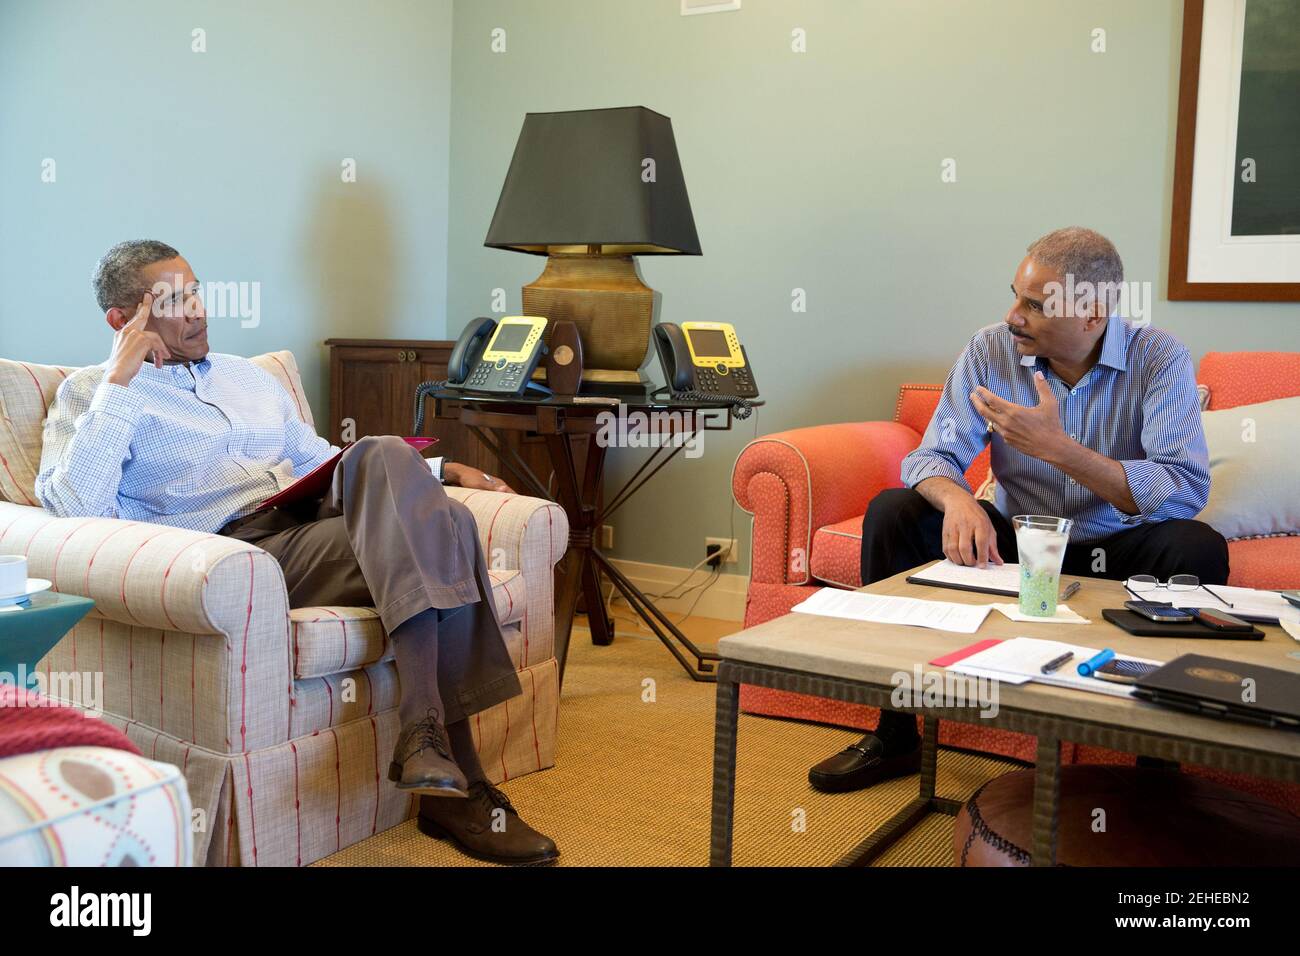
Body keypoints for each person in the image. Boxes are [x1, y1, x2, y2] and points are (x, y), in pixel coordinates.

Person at [37, 239, 558, 865]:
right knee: (447, 527)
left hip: (317, 521)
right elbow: (77, 514)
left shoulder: (247, 377)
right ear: (123, 320)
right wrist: (121, 380)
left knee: (392, 460)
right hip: (244, 554)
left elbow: (324, 462)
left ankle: (424, 739)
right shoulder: (94, 395)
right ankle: (464, 789)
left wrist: (442, 470)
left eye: (196, 291)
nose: (198, 310)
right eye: (173, 301)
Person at [808, 227, 1228, 794]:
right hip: (1017, 543)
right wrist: (959, 499)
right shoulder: (990, 350)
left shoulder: (1159, 359)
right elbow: (933, 452)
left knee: (1197, 546)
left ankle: (1155, 764)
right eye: (1016, 295)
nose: (1013, 316)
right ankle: (896, 732)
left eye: (1034, 305)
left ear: (1092, 314)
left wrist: (1059, 450)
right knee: (894, 511)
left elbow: (1184, 484)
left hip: (1118, 546)